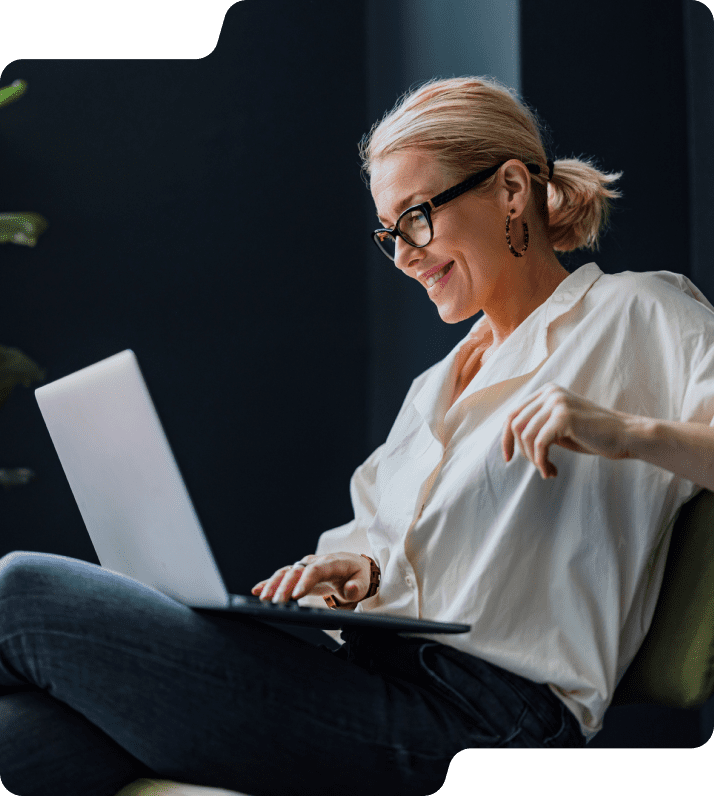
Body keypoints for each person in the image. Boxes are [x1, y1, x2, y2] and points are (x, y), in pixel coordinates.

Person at [2, 75, 714, 796]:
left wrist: (625, 430)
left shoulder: (636, 313)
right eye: (389, 231)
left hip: (486, 724)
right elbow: (387, 549)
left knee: (18, 589)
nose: (404, 254)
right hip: (371, 683)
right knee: (23, 733)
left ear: (509, 190)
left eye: (417, 217)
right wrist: (361, 574)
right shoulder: (435, 388)